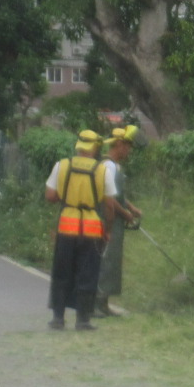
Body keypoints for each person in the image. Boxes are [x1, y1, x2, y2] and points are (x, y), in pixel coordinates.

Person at [44, 130, 110, 330]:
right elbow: (109, 203)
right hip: (91, 229)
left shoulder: (61, 165)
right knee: (87, 272)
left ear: (79, 146)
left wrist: (68, 198)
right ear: (95, 148)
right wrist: (107, 229)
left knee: (62, 271)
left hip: (67, 226)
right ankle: (83, 320)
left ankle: (58, 318)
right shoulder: (102, 170)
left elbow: (50, 195)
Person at [95, 125, 142, 318]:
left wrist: (131, 208)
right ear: (120, 144)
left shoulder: (115, 166)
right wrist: (125, 214)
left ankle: (104, 304)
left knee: (112, 260)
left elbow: (117, 194)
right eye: (128, 147)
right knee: (105, 260)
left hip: (115, 219)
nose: (129, 151)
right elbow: (110, 200)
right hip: (107, 220)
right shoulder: (107, 166)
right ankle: (96, 304)